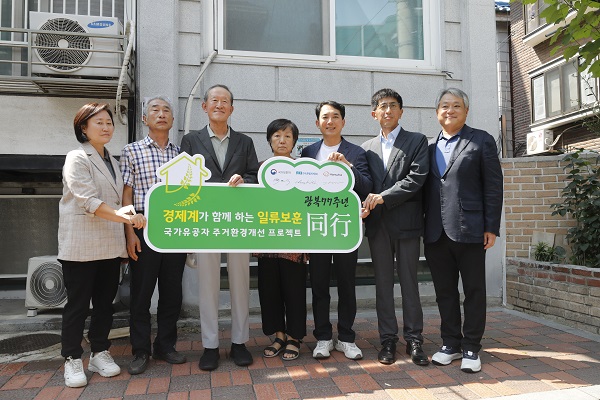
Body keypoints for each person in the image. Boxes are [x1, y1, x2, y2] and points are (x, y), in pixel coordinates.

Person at [58, 103, 146, 388]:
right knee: (78, 306)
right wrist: (126, 215)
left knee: (105, 305)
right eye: (99, 122)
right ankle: (72, 358)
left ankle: (99, 352)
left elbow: (120, 202)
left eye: (109, 122)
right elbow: (88, 201)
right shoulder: (77, 157)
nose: (106, 127)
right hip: (81, 246)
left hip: (109, 246)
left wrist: (128, 225)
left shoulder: (114, 160)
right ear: (83, 128)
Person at [423, 88, 503, 373]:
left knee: (473, 290)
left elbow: (493, 186)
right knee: (444, 291)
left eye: (456, 106)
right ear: (437, 113)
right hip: (435, 232)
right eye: (444, 106)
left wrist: (491, 226)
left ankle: (471, 347)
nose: (450, 110)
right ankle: (450, 344)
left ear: (466, 111)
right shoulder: (428, 147)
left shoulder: (480, 140)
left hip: (471, 229)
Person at [180, 84, 259, 371]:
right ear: (205, 106)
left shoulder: (245, 141)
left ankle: (239, 343)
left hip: (238, 223)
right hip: (205, 222)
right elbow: (184, 179)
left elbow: (254, 175)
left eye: (225, 101)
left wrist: (245, 181)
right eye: (215, 100)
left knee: (241, 282)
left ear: (232, 108)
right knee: (208, 285)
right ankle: (210, 346)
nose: (220, 105)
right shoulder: (190, 140)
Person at [361, 88, 430, 366]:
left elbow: (416, 179)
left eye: (392, 106)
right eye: (382, 106)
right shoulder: (365, 148)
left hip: (407, 225)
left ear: (401, 111)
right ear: (373, 113)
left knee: (410, 283)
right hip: (378, 226)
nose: (387, 111)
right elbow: (363, 184)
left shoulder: (416, 141)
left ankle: (414, 339)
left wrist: (382, 197)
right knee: (383, 285)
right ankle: (387, 339)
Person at [120, 96, 188, 375]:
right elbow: (125, 194)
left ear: (172, 120)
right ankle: (140, 351)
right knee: (141, 294)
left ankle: (165, 346)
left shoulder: (181, 155)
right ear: (145, 119)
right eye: (155, 110)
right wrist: (129, 234)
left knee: (172, 293)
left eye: (166, 110)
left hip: (174, 233)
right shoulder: (131, 151)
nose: (161, 114)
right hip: (143, 230)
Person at [301, 101, 372, 360]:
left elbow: (366, 187)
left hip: (344, 228)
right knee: (319, 284)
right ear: (317, 123)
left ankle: (346, 337)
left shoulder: (356, 151)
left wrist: (347, 165)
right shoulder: (308, 152)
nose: (330, 121)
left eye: (335, 117)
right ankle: (322, 337)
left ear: (343, 121)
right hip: (317, 229)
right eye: (325, 117)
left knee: (346, 285)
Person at [253, 119, 309, 361]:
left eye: (287, 136)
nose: (282, 140)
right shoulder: (260, 168)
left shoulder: (305, 170)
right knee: (270, 291)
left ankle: (295, 337)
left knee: (294, 291)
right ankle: (279, 335)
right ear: (269, 141)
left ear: (294, 141)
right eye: (277, 135)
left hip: (295, 242)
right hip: (267, 243)